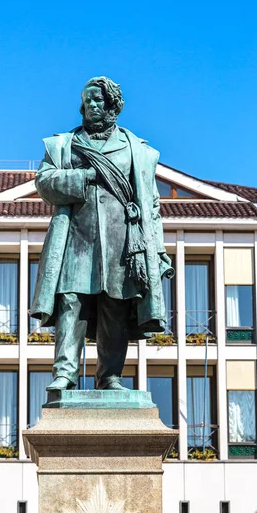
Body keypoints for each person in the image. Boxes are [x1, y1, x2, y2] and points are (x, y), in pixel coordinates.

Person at [29, 76, 174, 391]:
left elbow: (150, 205)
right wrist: (86, 175)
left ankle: (109, 376)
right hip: (76, 237)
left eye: (98, 100)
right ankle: (65, 374)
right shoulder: (65, 143)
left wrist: (158, 251)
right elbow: (44, 182)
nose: (91, 106)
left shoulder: (135, 149)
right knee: (71, 301)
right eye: (87, 100)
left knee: (115, 304)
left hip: (121, 241)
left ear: (112, 106)